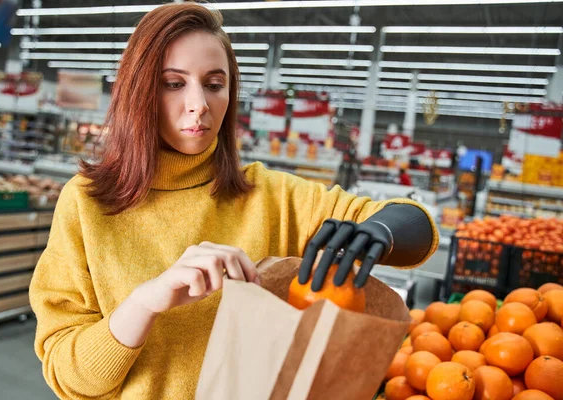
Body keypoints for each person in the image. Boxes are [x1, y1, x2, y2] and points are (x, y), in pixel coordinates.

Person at [29, 3, 439, 399]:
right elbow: (68, 376)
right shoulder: (87, 204)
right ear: (138, 90)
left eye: (214, 84)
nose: (200, 105)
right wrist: (146, 301)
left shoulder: (273, 195)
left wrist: (380, 229)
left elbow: (415, 225)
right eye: (174, 83)